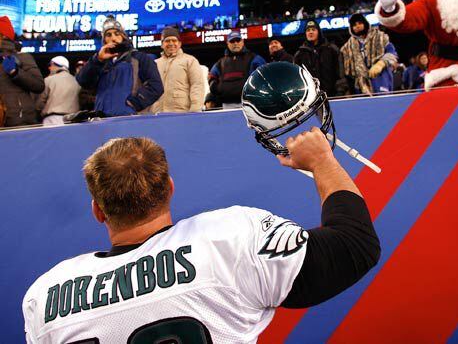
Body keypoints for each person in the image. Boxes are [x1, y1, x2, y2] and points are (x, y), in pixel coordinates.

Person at [23, 133, 380, 343]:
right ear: (170, 190)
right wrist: (322, 162)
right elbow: (355, 245)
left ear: (98, 210)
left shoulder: (46, 295)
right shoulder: (231, 238)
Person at [76, 16, 163, 117]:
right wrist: (98, 60)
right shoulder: (99, 62)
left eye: (117, 34)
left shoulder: (140, 58)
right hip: (101, 120)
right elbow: (83, 82)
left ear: (123, 36)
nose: (113, 38)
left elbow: (156, 86)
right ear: (104, 40)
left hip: (129, 119)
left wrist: (134, 104)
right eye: (108, 35)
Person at [0, 16, 44, 127]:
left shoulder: (22, 57)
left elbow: (39, 85)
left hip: (18, 122)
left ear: (3, 36)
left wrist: (16, 72)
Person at [340, 12, 398, 95]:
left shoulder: (380, 36)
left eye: (360, 23)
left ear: (365, 23)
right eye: (354, 25)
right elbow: (346, 69)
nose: (357, 26)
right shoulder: (347, 46)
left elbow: (392, 53)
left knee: (384, 104)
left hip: (381, 77)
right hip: (361, 84)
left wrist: (381, 63)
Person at [151, 27, 205, 113]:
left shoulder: (190, 60)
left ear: (179, 44)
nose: (171, 43)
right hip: (158, 113)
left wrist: (195, 109)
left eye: (174, 40)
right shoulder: (154, 64)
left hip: (181, 112)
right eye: (167, 41)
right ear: (162, 44)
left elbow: (197, 85)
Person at [209, 31, 265, 109]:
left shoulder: (254, 58)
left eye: (238, 40)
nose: (235, 43)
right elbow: (212, 77)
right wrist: (217, 91)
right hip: (226, 104)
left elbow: (264, 76)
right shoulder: (220, 63)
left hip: (250, 104)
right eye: (232, 41)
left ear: (242, 42)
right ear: (227, 43)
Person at [293, 20, 341, 97]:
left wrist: (340, 91)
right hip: (310, 98)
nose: (310, 32)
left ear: (319, 32)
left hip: (332, 95)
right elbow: (296, 79)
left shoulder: (332, 49)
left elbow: (340, 72)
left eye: (313, 30)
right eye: (308, 30)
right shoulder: (299, 54)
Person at [36, 56, 80, 126]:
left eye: (50, 65)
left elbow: (39, 104)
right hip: (73, 120)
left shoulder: (48, 80)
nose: (49, 68)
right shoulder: (77, 81)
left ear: (54, 64)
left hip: (52, 119)